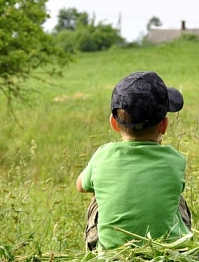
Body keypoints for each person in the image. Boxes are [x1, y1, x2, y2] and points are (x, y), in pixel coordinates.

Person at [76, 71, 192, 250]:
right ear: (164, 125)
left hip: (112, 258)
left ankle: (104, 247)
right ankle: (178, 241)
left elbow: (80, 186)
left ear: (113, 124)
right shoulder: (175, 160)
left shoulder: (103, 155)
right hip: (169, 253)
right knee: (177, 198)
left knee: (97, 194)